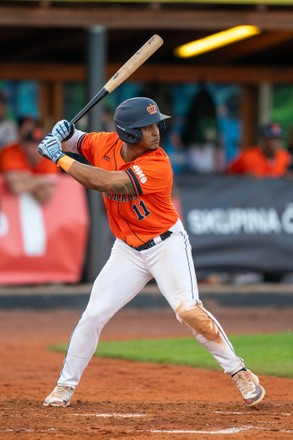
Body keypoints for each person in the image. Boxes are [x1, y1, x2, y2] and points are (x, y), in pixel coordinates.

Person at [38, 97, 265, 408]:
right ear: (128, 134)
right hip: (127, 251)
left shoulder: (157, 163)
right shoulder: (104, 143)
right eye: (147, 127)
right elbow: (76, 140)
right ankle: (64, 387)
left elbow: (105, 181)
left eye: (156, 123)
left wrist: (59, 158)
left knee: (186, 310)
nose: (157, 130)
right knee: (93, 315)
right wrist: (64, 133)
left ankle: (239, 371)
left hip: (166, 245)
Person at [0, 123, 60, 205]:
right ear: (23, 145)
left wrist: (26, 178)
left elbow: (46, 196)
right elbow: (15, 187)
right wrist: (41, 181)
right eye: (32, 144)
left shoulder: (49, 157)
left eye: (40, 143)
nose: (37, 148)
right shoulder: (11, 152)